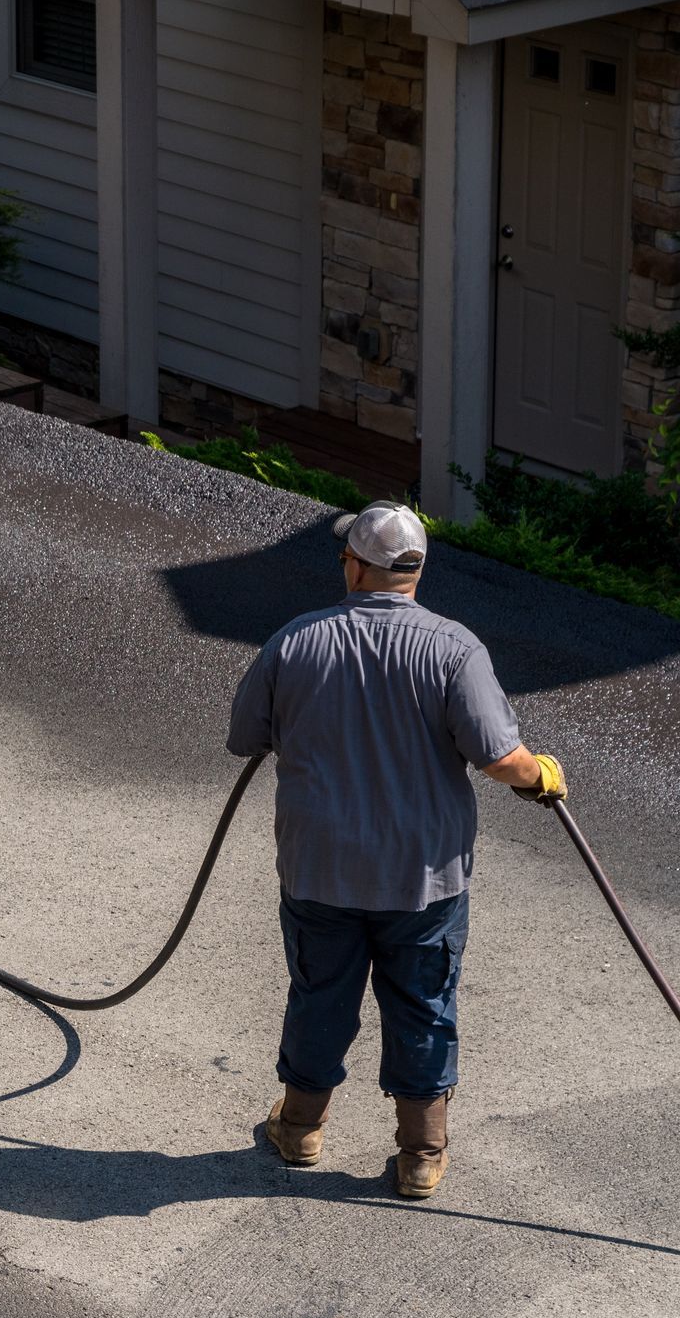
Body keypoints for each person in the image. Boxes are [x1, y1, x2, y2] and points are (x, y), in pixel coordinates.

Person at [226, 501, 566, 1198]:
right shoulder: (453, 649)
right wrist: (541, 777)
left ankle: (299, 1129)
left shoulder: (295, 641)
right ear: (415, 570)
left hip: (320, 869)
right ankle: (421, 1155)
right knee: (423, 1004)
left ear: (354, 566)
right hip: (424, 879)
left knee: (320, 996)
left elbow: (245, 737)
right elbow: (502, 759)